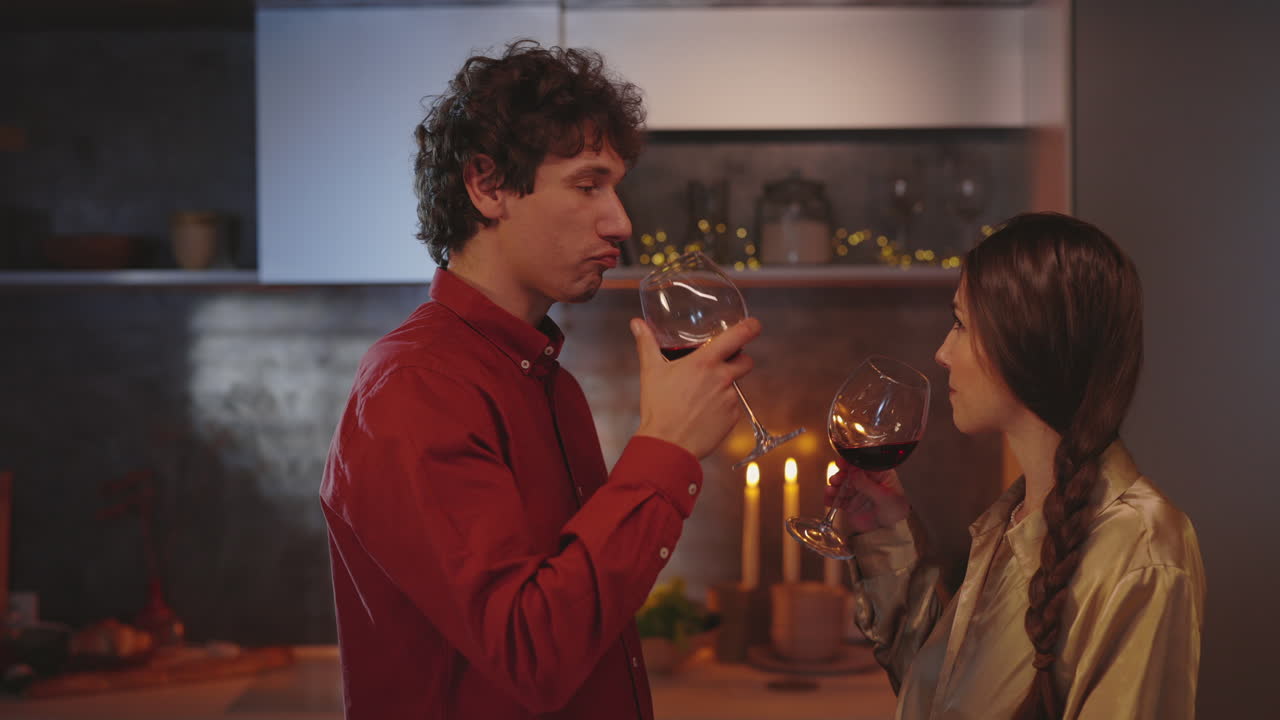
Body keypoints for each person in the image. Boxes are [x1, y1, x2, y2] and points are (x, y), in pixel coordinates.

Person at [319, 41, 760, 719]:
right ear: (487, 185)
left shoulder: (543, 378)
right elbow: (532, 652)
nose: (621, 221)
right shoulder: (416, 387)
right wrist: (666, 448)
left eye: (614, 187)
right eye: (588, 185)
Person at [826, 212, 1206, 719]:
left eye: (960, 323)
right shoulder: (1016, 520)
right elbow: (945, 697)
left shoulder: (1145, 551)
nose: (942, 352)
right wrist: (886, 534)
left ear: (1024, 341)